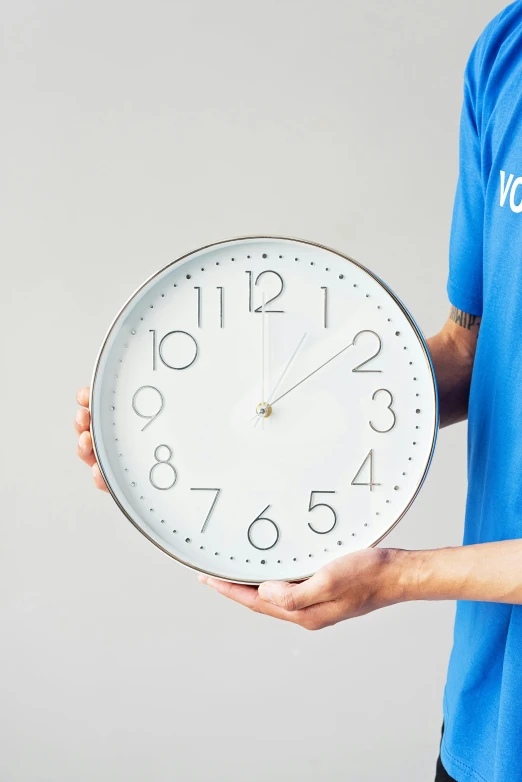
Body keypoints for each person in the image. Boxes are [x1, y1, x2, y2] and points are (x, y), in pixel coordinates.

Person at [74, 4, 522, 780]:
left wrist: (402, 576)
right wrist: (176, 433)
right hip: (490, 717)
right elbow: (475, 349)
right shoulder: (506, 53)